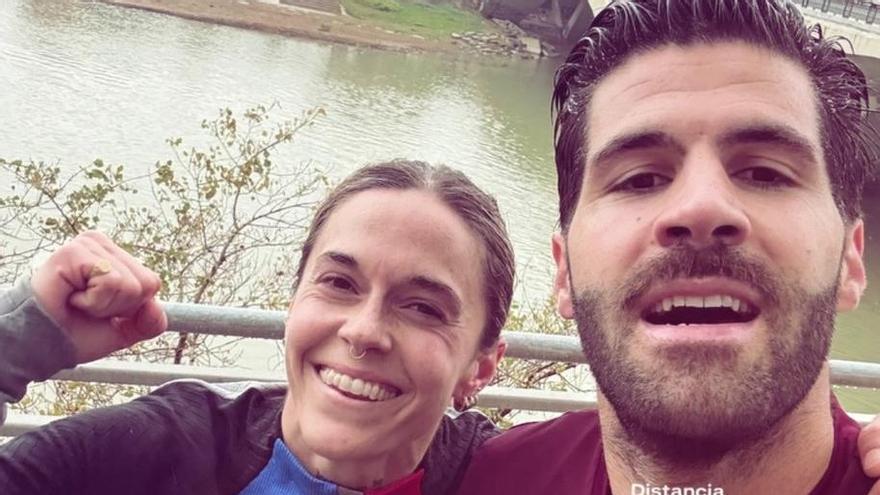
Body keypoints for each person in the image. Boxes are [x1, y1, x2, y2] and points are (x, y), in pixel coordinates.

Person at [456, 0, 880, 494]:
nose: (701, 208)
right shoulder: (492, 478)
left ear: (851, 258)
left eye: (766, 172)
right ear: (564, 269)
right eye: (639, 179)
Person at [0, 159, 513, 495]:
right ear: (294, 301)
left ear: (481, 365)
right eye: (338, 282)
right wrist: (14, 347)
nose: (363, 331)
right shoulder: (159, 450)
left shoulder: (513, 476)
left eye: (423, 308)